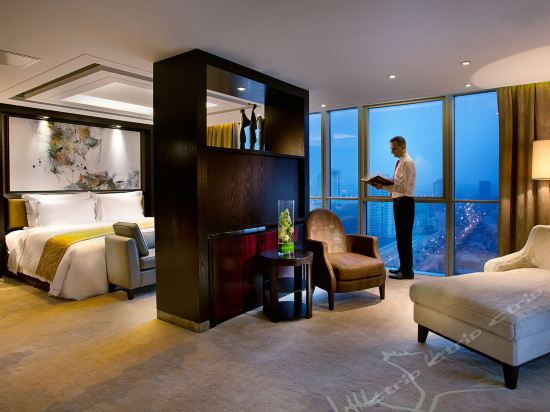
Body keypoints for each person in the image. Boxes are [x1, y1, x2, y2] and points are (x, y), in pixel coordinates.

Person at [373, 136, 416, 279]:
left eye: (394, 149)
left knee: (405, 237)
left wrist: (383, 186)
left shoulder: (407, 162)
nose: (392, 152)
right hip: (400, 201)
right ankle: (403, 268)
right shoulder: (401, 162)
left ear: (403, 146)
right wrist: (384, 184)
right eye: (391, 149)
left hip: (404, 202)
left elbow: (402, 187)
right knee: (401, 237)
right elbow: (398, 183)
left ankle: (407, 271)